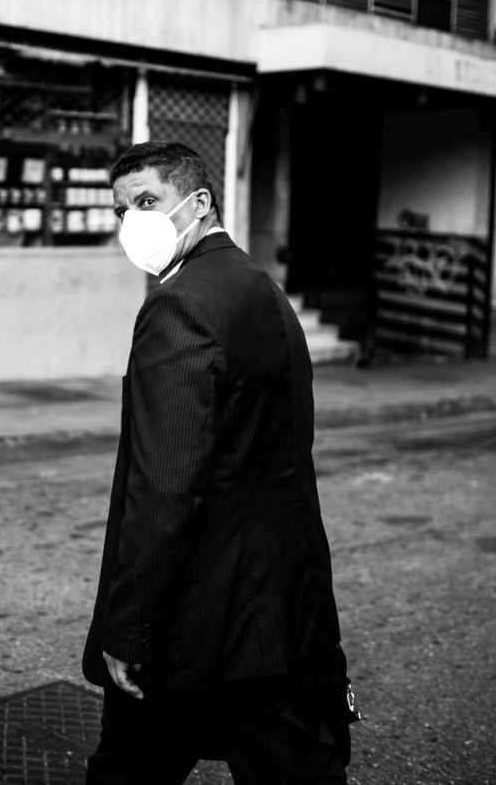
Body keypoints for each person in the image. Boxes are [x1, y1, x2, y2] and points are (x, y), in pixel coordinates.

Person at [82, 141, 354, 784]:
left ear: (199, 203)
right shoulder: (261, 288)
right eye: (122, 210)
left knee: (128, 773)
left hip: (199, 617)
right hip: (283, 604)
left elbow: (165, 487)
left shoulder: (178, 305)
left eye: (147, 201)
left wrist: (129, 628)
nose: (133, 223)